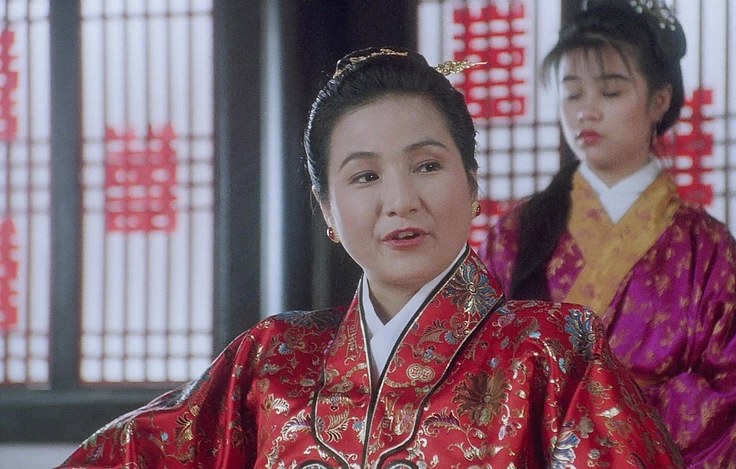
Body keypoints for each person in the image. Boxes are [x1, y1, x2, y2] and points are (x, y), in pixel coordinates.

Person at [58, 46, 683, 468]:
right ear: (327, 210)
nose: (400, 201)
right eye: (364, 177)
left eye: (427, 166)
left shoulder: (557, 352)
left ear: (472, 184)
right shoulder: (269, 360)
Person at [477, 1, 736, 468]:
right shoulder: (513, 236)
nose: (585, 111)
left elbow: (735, 384)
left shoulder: (710, 251)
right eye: (572, 93)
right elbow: (477, 367)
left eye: (610, 91)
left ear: (659, 101)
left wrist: (600, 436)